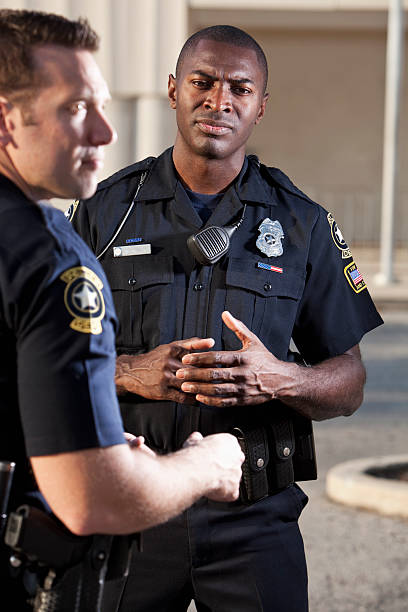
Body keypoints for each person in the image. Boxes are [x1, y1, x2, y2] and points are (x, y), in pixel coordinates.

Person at [71, 24, 384, 612]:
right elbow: (43, 358)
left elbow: (351, 384)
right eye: (203, 82)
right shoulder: (103, 213)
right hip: (133, 506)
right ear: (172, 90)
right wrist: (129, 370)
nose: (220, 101)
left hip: (254, 518)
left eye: (240, 88)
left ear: (261, 106)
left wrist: (279, 378)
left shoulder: (302, 225)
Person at [0, 12, 244, 610]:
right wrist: (203, 466)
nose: (106, 133)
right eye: (77, 109)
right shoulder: (51, 263)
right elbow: (93, 500)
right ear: (6, 120)